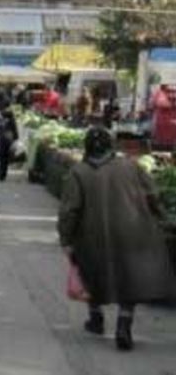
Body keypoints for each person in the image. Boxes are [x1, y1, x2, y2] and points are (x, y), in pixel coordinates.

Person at [58, 127, 176, 351]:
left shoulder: (79, 172)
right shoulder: (131, 166)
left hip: (92, 235)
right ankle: (124, 324)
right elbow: (153, 195)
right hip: (134, 230)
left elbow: (70, 211)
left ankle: (96, 318)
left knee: (90, 272)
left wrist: (66, 238)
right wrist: (163, 219)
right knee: (129, 278)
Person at [0, 99, 19, 182]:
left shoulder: (0, 114)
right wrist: (16, 138)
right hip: (9, 138)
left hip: (1, 137)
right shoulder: (11, 115)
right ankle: (3, 174)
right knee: (6, 157)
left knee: (2, 157)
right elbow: (14, 127)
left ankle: (0, 173)